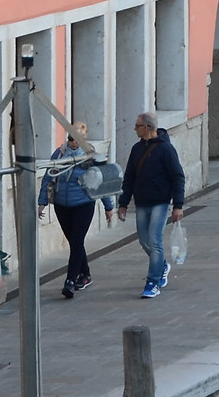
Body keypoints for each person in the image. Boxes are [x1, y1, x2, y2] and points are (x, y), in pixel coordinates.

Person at [111, 111, 185, 299]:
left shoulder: (166, 149)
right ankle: (162, 265)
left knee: (155, 240)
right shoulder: (136, 149)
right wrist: (123, 203)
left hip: (160, 202)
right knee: (144, 240)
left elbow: (177, 177)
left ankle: (153, 282)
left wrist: (178, 205)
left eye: (137, 126)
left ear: (146, 127)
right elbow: (129, 177)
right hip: (142, 202)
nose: (134, 129)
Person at [39, 121, 100, 298]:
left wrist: (109, 206)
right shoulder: (59, 154)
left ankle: (70, 281)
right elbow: (48, 177)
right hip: (62, 205)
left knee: (77, 241)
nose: (73, 142)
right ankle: (85, 274)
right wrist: (42, 202)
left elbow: (100, 181)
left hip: (83, 204)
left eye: (77, 139)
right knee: (75, 242)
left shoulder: (89, 156)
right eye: (71, 138)